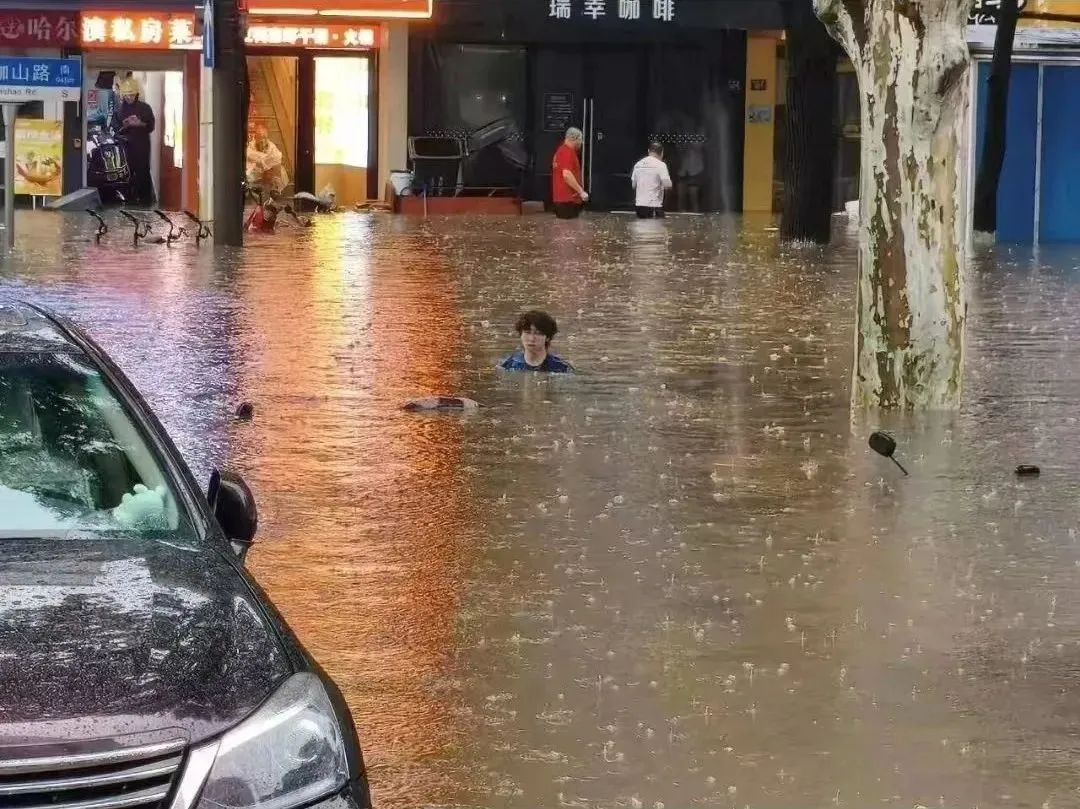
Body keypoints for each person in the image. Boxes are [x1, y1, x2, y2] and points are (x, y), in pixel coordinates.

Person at [111, 76, 155, 206]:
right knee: (125, 172)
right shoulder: (119, 110)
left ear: (136, 94)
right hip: (125, 145)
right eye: (126, 95)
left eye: (131, 95)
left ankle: (145, 200)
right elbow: (115, 127)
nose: (129, 97)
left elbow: (151, 126)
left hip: (141, 144)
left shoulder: (145, 108)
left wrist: (140, 124)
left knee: (143, 170)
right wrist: (124, 126)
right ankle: (128, 198)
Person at [500, 310, 574, 373]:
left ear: (547, 337)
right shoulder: (509, 365)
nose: (531, 339)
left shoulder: (561, 368)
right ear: (521, 335)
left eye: (538, 333)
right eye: (527, 332)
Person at [551, 127, 588, 219]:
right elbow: (567, 175)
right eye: (580, 139)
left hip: (563, 200)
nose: (581, 142)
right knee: (569, 230)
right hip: (568, 200)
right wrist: (581, 192)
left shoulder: (561, 151)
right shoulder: (566, 152)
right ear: (574, 139)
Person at [632, 142, 673, 219]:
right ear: (662, 152)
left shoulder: (638, 164)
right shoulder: (661, 165)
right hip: (654, 205)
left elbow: (633, 185)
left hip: (639, 206)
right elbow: (667, 185)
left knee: (641, 228)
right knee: (655, 229)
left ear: (648, 151)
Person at [246, 125, 289, 197]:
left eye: (264, 137)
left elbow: (277, 156)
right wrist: (265, 160)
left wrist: (267, 162)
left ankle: (275, 189)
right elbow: (250, 156)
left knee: (279, 169)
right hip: (255, 170)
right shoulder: (251, 145)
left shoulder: (271, 145)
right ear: (256, 137)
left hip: (269, 170)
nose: (262, 139)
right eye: (260, 136)